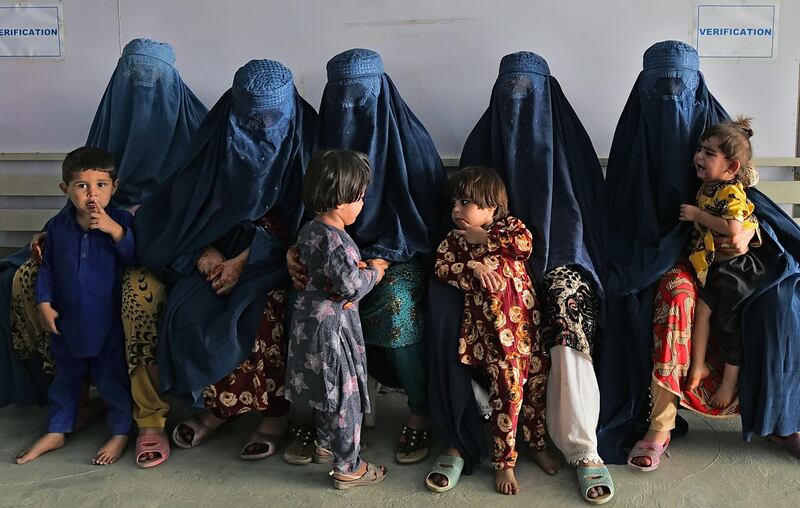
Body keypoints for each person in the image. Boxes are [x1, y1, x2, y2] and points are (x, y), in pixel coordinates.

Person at [3, 38, 208, 468]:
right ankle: (69, 400)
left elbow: (204, 206)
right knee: (25, 276)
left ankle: (147, 417)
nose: (142, 94)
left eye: (154, 82)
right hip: (92, 247)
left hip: (171, 253)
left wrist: (136, 226)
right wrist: (49, 234)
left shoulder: (195, 135)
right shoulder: (106, 136)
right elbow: (81, 190)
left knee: (138, 292)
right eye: (133, 82)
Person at [426, 51, 611, 504]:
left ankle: (581, 446)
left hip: (561, 256)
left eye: (528, 94)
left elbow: (582, 218)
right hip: (482, 278)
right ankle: (460, 437)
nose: (517, 106)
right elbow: (449, 241)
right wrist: (474, 261)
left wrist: (507, 255)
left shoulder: (569, 144)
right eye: (509, 94)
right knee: (445, 312)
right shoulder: (480, 154)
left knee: (568, 306)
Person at [133, 59, 316, 461]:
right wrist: (203, 254)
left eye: (273, 117)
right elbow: (183, 206)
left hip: (278, 254)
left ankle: (274, 414)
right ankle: (220, 408)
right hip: (215, 247)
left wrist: (246, 262)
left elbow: (311, 219)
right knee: (190, 311)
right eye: (251, 119)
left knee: (263, 310)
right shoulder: (214, 139)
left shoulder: (309, 141)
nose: (263, 128)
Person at [285, 48, 446, 466]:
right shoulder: (317, 143)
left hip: (396, 253)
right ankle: (319, 415)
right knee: (291, 299)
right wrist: (293, 252)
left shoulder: (411, 141)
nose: (350, 109)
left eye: (361, 97)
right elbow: (301, 210)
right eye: (340, 97)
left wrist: (378, 260)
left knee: (397, 308)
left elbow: (424, 218)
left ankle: (421, 407)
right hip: (331, 252)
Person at [15, 147, 135, 465]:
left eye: (101, 184)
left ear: (115, 187)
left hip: (107, 323)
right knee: (65, 378)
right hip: (67, 322)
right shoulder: (57, 227)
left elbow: (136, 258)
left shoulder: (121, 220)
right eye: (82, 186)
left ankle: (121, 431)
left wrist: (115, 231)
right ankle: (57, 430)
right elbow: (49, 268)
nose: (92, 193)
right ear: (65, 190)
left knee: (112, 379)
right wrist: (44, 302)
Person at [431, 166, 541, 495]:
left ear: (492, 207)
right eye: (454, 202)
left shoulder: (509, 227)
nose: (456, 210)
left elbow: (526, 245)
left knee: (535, 393)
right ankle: (504, 462)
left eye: (466, 202)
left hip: (526, 333)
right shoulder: (454, 240)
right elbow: (441, 267)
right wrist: (472, 265)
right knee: (505, 396)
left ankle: (539, 445)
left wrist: (488, 239)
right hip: (489, 340)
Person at [286, 149, 388, 489]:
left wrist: (351, 268)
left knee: (323, 392)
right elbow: (348, 286)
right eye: (358, 198)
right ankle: (350, 467)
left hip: (307, 324)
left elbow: (325, 271)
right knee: (345, 397)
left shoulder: (310, 230)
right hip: (333, 330)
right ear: (340, 199)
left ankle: (326, 445)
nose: (361, 205)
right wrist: (374, 273)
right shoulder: (338, 241)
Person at [680, 118, 763, 408]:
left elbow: (733, 228)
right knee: (701, 312)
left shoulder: (730, 191)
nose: (699, 157)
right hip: (715, 269)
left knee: (729, 324)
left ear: (731, 168)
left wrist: (697, 216)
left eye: (709, 153)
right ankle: (699, 365)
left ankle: (729, 382)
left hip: (736, 273)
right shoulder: (708, 187)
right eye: (700, 150)